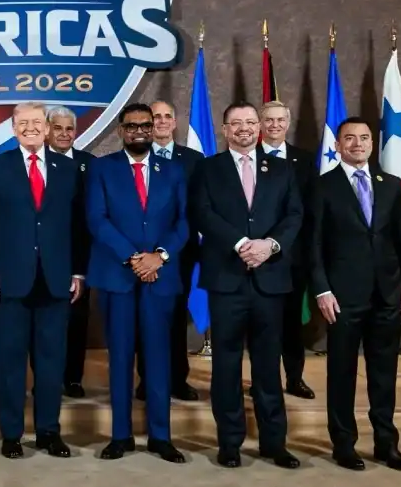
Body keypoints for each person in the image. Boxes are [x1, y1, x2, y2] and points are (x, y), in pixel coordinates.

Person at [189, 100, 302, 469]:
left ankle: (274, 443)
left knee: (268, 366)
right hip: (227, 280)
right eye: (236, 123)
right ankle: (230, 443)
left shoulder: (282, 169)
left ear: (260, 127)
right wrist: (240, 244)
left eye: (251, 122)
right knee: (226, 366)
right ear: (225, 130)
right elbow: (202, 213)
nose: (244, 129)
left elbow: (294, 215)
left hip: (270, 280)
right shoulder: (208, 168)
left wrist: (270, 246)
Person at [0, 101, 86, 459]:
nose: (30, 128)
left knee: (51, 362)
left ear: (48, 127)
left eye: (37, 122)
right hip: (10, 281)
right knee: (10, 362)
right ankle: (11, 434)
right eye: (23, 123)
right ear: (14, 128)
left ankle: (49, 432)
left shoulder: (68, 169)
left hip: (56, 280)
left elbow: (78, 226)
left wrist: (78, 271)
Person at [310, 117, 401, 472]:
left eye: (364, 138)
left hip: (387, 294)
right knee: (342, 373)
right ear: (337, 145)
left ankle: (387, 444)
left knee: (384, 375)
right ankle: (344, 444)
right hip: (342, 297)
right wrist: (322, 289)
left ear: (372, 143)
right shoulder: (323, 186)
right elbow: (314, 244)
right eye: (350, 138)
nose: (358, 144)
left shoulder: (391, 185)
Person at [86, 104, 188, 463]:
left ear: (154, 128)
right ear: (121, 130)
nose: (140, 131)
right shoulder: (102, 168)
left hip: (159, 277)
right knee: (120, 359)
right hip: (118, 277)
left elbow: (183, 222)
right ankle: (120, 435)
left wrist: (159, 256)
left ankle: (161, 436)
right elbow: (96, 219)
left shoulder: (173, 170)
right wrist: (133, 258)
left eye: (146, 125)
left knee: (159, 359)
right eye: (132, 126)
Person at [259, 100, 318, 399]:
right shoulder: (248, 157)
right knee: (261, 325)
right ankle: (262, 381)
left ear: (288, 123)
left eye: (280, 120)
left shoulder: (305, 161)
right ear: (260, 124)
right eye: (269, 120)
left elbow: (310, 211)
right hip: (256, 256)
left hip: (293, 257)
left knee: (292, 322)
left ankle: (294, 378)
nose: (275, 125)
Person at [142, 100, 200, 401]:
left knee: (176, 317)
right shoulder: (137, 155)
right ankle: (146, 380)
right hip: (143, 254)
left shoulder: (194, 160)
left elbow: (198, 208)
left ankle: (178, 379)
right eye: (156, 117)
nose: (162, 121)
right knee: (145, 318)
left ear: (175, 122)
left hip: (181, 252)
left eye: (167, 116)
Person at [45, 105, 96, 398]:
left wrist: (81, 266)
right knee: (46, 325)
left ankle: (73, 379)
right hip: (43, 257)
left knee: (77, 321)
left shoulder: (90, 164)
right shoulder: (35, 162)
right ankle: (46, 379)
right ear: (47, 130)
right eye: (58, 128)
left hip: (80, 256)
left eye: (69, 129)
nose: (64, 134)